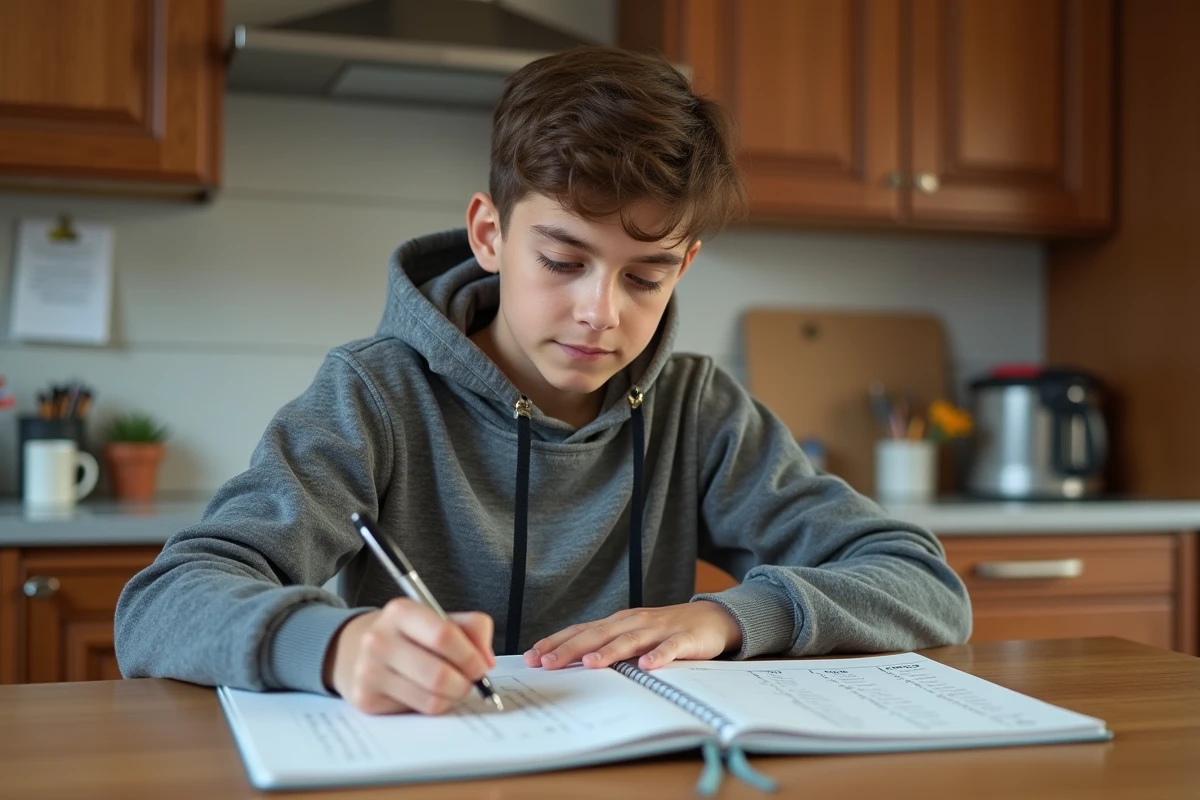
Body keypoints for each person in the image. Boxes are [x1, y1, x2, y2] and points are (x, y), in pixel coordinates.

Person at [114, 46, 971, 716]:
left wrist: (731, 615)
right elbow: (161, 603)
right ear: (489, 233)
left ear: (684, 266)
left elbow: (924, 583)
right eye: (563, 261)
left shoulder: (697, 409)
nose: (600, 312)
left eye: (645, 276)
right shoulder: (373, 396)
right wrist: (334, 647)